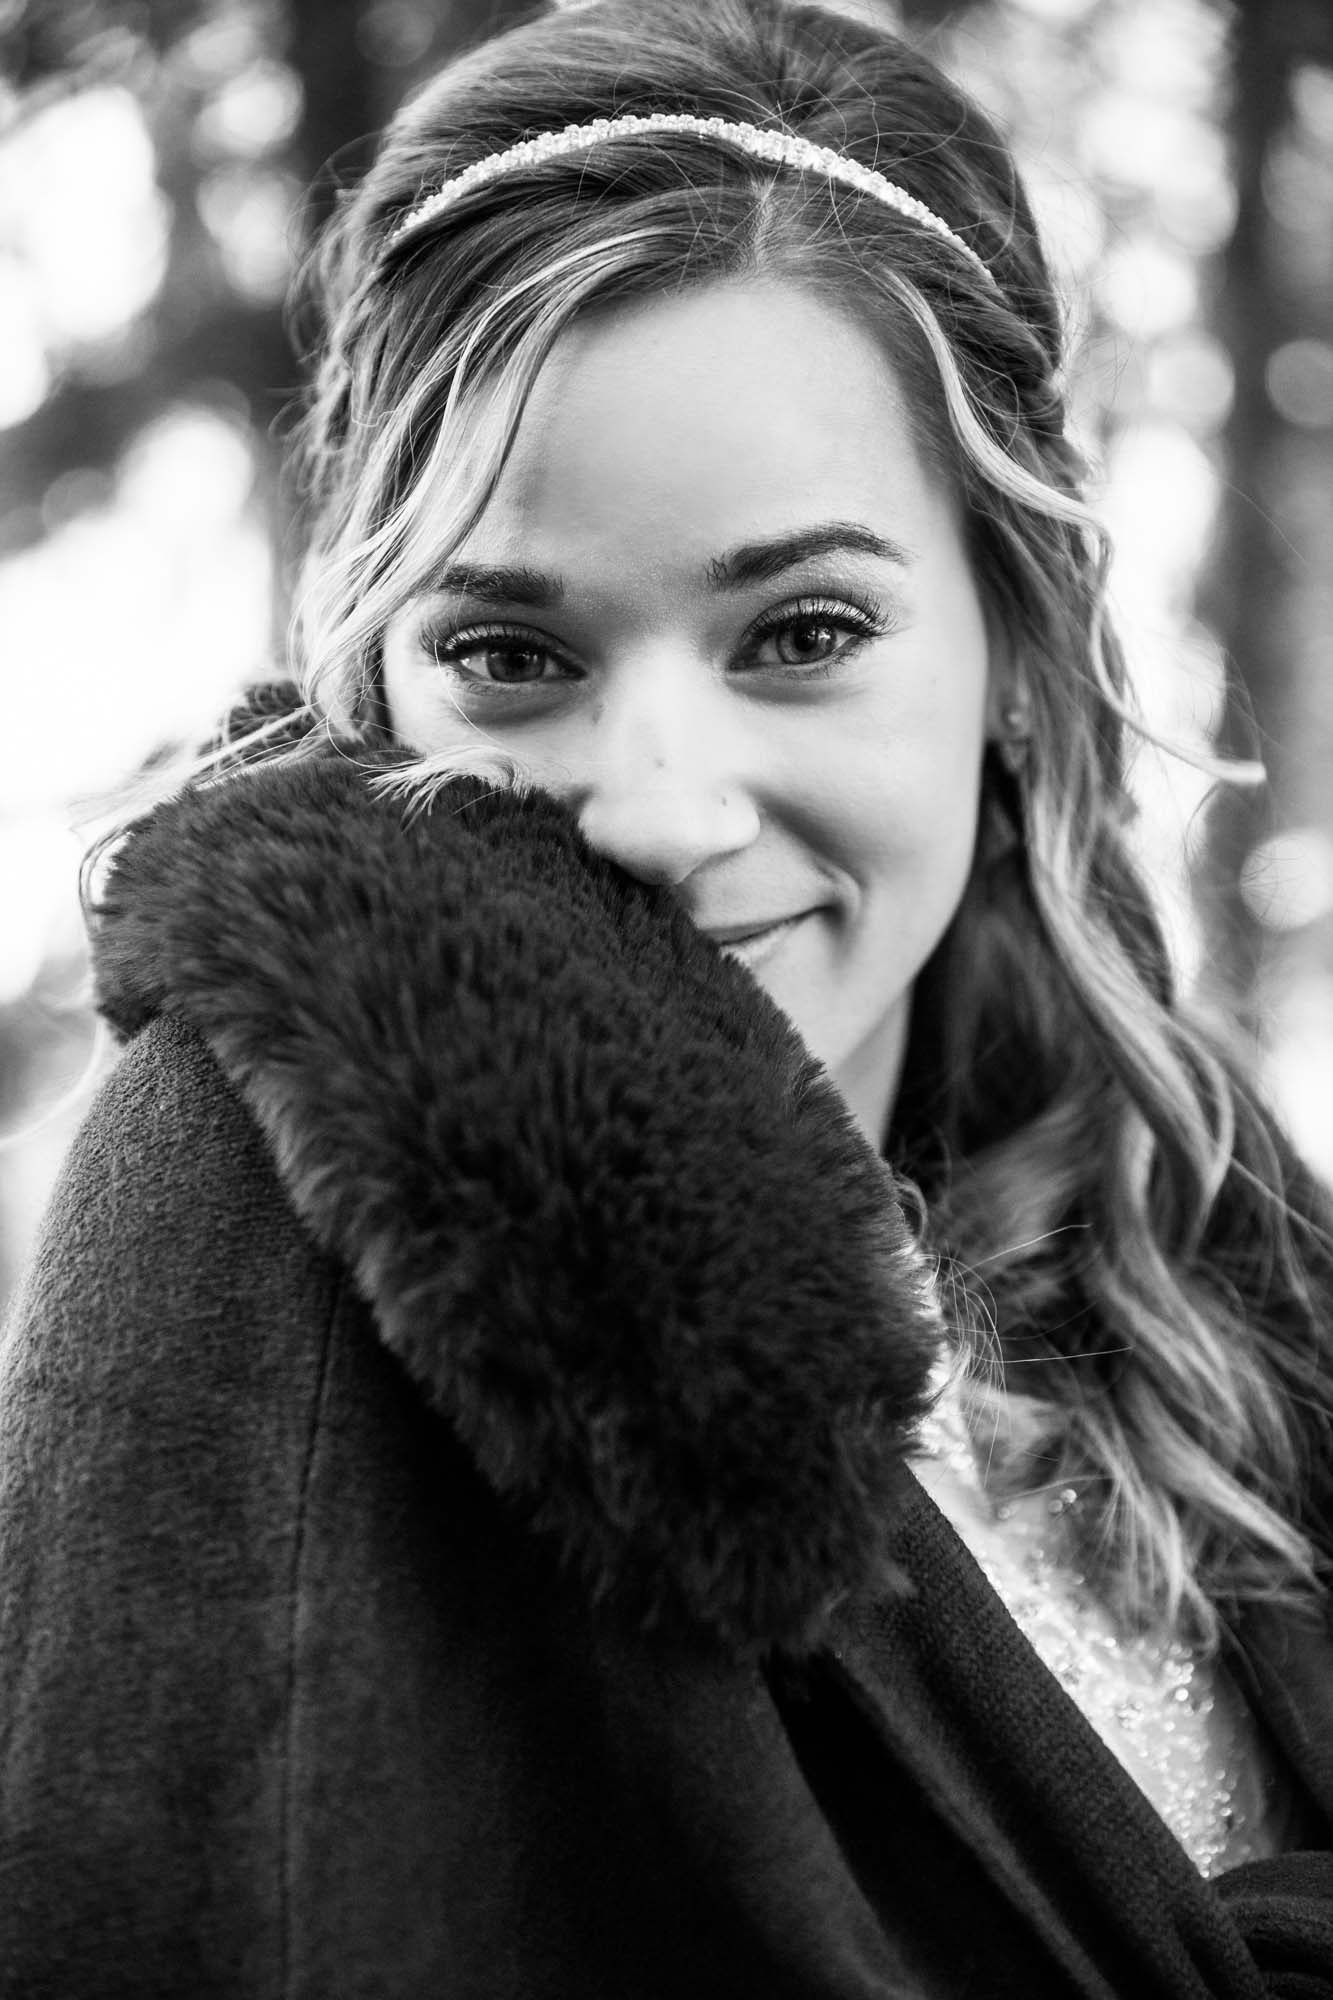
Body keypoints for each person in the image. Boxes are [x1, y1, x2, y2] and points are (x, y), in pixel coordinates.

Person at [2, 0, 1331, 1992]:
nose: (656, 809)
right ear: (380, 673)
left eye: (800, 630)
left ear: (1016, 641)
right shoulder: (267, 1193)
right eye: (511, 656)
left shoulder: (1211, 1218)